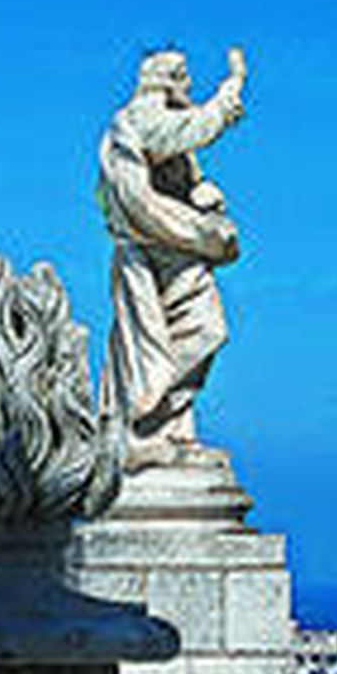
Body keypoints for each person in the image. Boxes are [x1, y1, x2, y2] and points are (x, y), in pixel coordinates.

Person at [98, 47, 248, 471]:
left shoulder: (162, 126)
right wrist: (229, 92)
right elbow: (186, 131)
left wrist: (202, 194)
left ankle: (167, 429)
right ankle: (139, 424)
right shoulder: (139, 118)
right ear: (167, 80)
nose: (190, 85)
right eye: (184, 77)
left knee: (202, 331)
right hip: (152, 252)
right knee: (195, 332)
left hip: (178, 249)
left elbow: (183, 172)